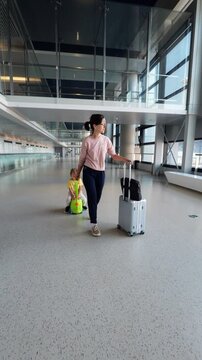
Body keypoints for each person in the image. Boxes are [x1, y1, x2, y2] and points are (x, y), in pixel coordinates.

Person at [76, 113, 131, 237]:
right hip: (89, 172)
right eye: (102, 124)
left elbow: (113, 155)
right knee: (92, 196)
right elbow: (82, 159)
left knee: (97, 198)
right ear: (95, 125)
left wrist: (124, 159)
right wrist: (77, 173)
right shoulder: (87, 141)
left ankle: (91, 210)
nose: (104, 126)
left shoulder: (106, 140)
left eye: (105, 124)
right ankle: (94, 224)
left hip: (101, 173)